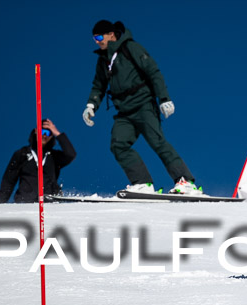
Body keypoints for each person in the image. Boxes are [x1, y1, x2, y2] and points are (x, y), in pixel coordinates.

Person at [83, 20, 201, 195]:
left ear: (111, 35)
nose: (97, 41)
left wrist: (164, 98)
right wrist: (91, 105)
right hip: (124, 112)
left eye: (99, 37)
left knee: (157, 141)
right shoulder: (103, 61)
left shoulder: (130, 48)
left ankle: (185, 181)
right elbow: (98, 85)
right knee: (118, 144)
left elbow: (153, 71)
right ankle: (143, 183)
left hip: (143, 105)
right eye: (94, 38)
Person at [0, 119, 76, 203]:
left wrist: (57, 133)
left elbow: (71, 154)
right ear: (36, 131)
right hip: (25, 202)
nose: (45, 135)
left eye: (49, 133)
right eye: (43, 131)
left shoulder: (54, 156)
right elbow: (8, 181)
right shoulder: (22, 154)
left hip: (50, 202)